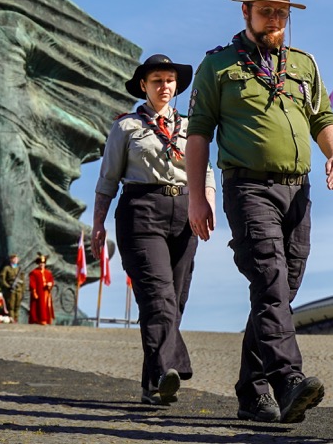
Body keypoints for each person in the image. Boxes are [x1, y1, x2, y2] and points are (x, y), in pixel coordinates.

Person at [186, 0, 333, 424]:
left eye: (282, 12)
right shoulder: (218, 66)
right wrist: (197, 197)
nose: (275, 19)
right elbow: (197, 135)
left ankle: (251, 391)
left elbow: (324, 119)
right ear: (247, 12)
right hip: (248, 186)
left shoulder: (304, 64)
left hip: (298, 192)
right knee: (271, 280)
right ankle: (287, 378)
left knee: (281, 289)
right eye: (267, 12)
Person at [92, 54, 216, 406]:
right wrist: (98, 223)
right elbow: (107, 179)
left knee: (174, 300)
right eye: (157, 80)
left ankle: (153, 385)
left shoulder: (192, 127)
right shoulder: (126, 127)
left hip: (185, 212)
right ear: (144, 86)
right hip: (140, 212)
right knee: (158, 295)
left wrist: (207, 203)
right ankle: (167, 371)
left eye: (169, 80)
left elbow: (205, 172)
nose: (164, 86)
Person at [28, 254, 55, 325]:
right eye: (40, 263)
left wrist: (50, 284)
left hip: (46, 291)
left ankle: (46, 319)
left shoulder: (48, 273)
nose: (42, 265)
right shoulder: (34, 272)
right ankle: (38, 319)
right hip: (38, 291)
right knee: (38, 305)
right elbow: (32, 282)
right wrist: (34, 292)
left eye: (43, 264)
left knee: (45, 305)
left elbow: (51, 280)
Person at [0, 254, 25, 322]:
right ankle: (11, 319)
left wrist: (22, 290)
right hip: (11, 290)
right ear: (11, 260)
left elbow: (23, 281)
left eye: (16, 259)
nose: (15, 260)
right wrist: (7, 286)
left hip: (19, 289)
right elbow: (2, 278)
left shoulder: (19, 269)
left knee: (17, 305)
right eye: (13, 259)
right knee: (11, 305)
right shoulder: (7, 268)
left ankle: (16, 319)